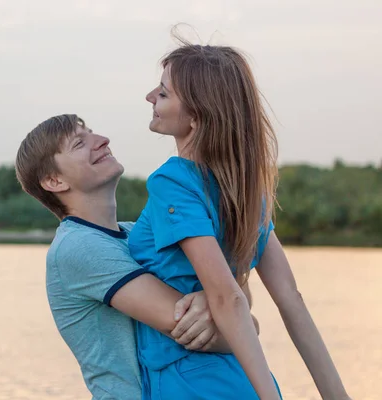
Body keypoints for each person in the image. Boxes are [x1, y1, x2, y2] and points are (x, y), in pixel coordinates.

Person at [129, 41, 351, 399]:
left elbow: (228, 298)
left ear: (196, 117)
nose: (149, 97)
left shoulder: (171, 181)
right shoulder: (247, 191)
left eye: (164, 93)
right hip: (240, 381)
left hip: (190, 385)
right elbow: (291, 300)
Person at [15, 114, 261, 399]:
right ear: (54, 181)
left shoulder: (135, 236)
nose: (102, 140)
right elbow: (205, 325)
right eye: (79, 143)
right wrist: (233, 313)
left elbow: (234, 309)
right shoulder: (78, 247)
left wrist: (219, 302)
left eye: (93, 132)